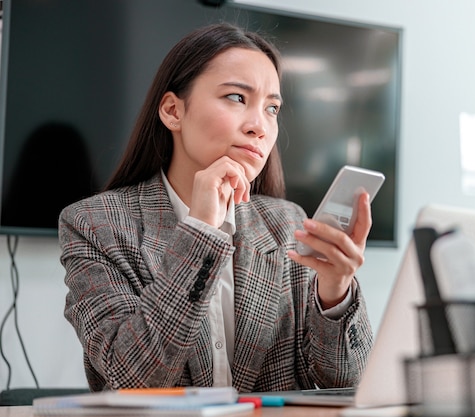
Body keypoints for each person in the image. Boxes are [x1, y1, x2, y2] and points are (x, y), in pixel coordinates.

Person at [59, 23, 374, 393]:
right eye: (237, 98)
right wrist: (201, 232)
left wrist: (335, 291)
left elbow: (347, 382)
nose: (260, 126)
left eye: (272, 108)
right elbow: (135, 378)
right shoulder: (93, 224)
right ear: (173, 111)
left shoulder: (288, 223)